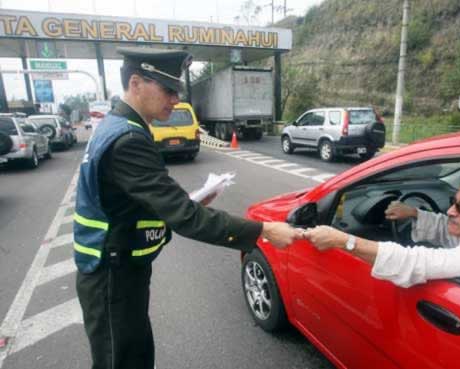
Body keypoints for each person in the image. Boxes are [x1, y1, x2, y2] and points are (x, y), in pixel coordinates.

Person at [73, 46, 302, 369]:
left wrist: (189, 201)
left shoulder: (118, 126)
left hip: (114, 268)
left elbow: (131, 202)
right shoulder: (129, 139)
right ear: (136, 83)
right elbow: (186, 219)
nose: (175, 99)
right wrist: (263, 230)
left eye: (177, 91)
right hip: (114, 275)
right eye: (167, 90)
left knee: (133, 353)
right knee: (123, 360)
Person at [303, 167, 460, 288]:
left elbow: (412, 262)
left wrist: (344, 240)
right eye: (452, 201)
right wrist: (414, 213)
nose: (449, 211)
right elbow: (447, 230)